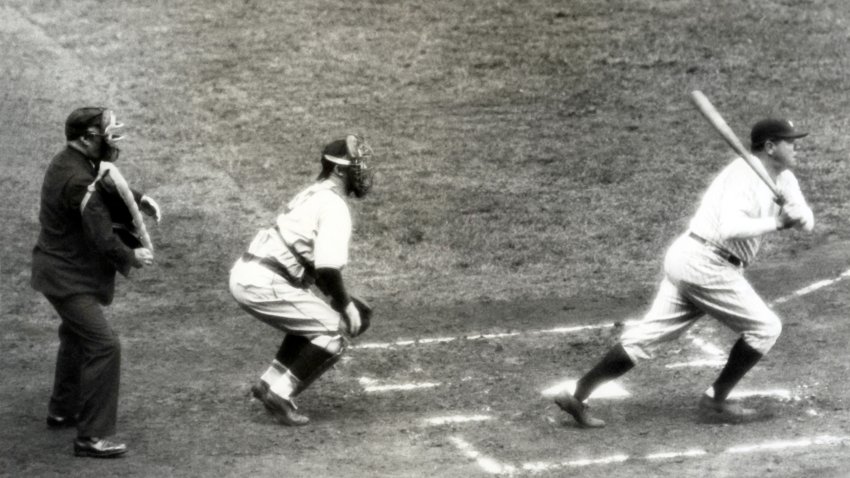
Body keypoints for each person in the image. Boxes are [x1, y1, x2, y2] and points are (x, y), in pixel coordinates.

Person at [553, 118, 814, 427]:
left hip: (693, 262)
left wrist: (799, 215)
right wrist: (778, 223)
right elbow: (731, 229)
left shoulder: (784, 179)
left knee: (645, 338)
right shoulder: (741, 176)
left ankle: (577, 397)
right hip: (705, 262)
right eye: (790, 141)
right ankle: (715, 402)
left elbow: (807, 222)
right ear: (770, 147)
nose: (796, 146)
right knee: (766, 327)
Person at [31, 107, 161, 457]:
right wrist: (132, 256)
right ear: (88, 138)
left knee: (76, 337)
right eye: (107, 133)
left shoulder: (70, 162)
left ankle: (63, 409)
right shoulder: (77, 179)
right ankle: (92, 437)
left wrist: (137, 198)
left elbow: (104, 181)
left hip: (62, 270)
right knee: (105, 346)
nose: (113, 140)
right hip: (67, 278)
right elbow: (102, 234)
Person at [229, 134, 374, 426]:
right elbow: (328, 268)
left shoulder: (314, 193)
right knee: (333, 333)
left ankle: (268, 383)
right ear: (339, 170)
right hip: (264, 282)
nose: (364, 171)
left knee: (312, 317)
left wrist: (337, 299)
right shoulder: (334, 206)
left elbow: (315, 266)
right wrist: (345, 307)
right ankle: (281, 395)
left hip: (252, 273)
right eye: (357, 165)